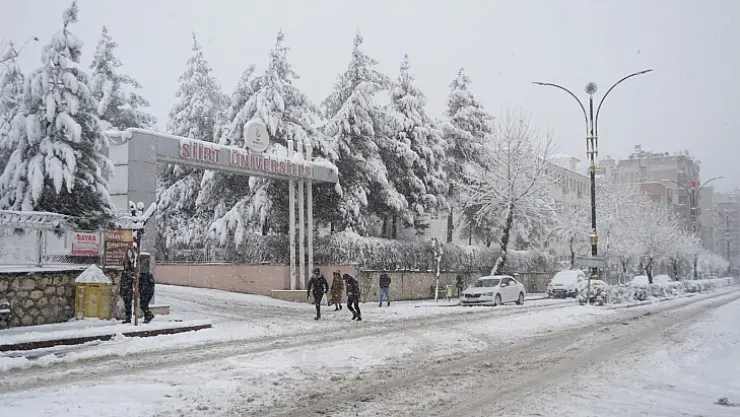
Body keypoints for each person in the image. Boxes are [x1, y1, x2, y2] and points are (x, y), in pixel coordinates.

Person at [139, 253, 155, 324]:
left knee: (143, 305)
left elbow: (152, 285)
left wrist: (146, 290)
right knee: (143, 305)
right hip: (144, 292)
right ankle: (147, 316)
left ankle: (149, 315)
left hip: (146, 293)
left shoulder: (147, 275)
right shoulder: (140, 275)